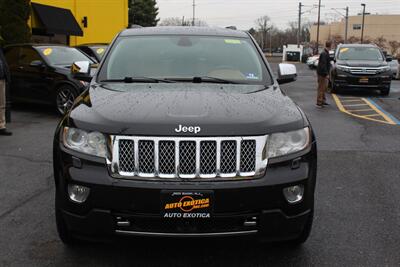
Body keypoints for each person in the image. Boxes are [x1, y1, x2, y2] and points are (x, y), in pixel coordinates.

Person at [316, 41, 332, 108]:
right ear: (330, 46)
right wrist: (326, 74)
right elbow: (323, 65)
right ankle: (319, 102)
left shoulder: (325, 53)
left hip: (323, 73)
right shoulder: (324, 54)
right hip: (322, 74)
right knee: (321, 88)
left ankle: (323, 100)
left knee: (324, 88)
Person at [0, 47, 12, 135]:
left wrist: (6, 76)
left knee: (2, 104)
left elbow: (3, 63)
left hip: (1, 79)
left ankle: (2, 127)